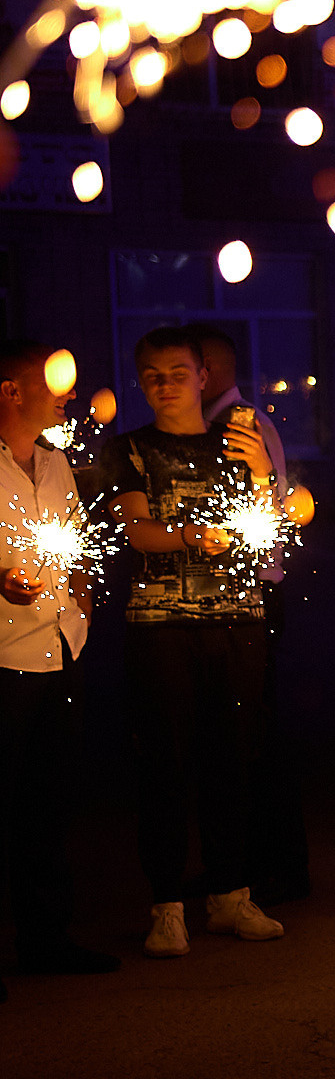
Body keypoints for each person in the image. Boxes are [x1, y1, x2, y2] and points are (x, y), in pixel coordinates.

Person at [100, 326, 289, 957]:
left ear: (202, 376)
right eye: (152, 374)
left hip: (239, 621)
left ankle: (231, 895)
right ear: (140, 380)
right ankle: (167, 905)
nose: (165, 385)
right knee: (166, 762)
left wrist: (263, 471)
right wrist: (188, 535)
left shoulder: (237, 443)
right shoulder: (129, 448)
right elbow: (136, 531)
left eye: (177, 372)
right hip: (161, 627)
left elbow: (271, 529)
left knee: (233, 759)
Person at [0, 340, 116, 990]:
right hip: (4, 658)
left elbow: (76, 545)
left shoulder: (54, 463)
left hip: (59, 651)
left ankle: (46, 938)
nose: (68, 393)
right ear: (11, 390)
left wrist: (84, 601)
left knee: (47, 805)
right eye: (52, 381)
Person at [190, 323, 311, 908]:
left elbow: (268, 512)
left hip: (252, 597)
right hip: (237, 596)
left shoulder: (239, 429)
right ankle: (243, 865)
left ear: (207, 372)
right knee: (233, 735)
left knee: (254, 736)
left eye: (184, 372)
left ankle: (274, 867)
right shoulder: (227, 426)